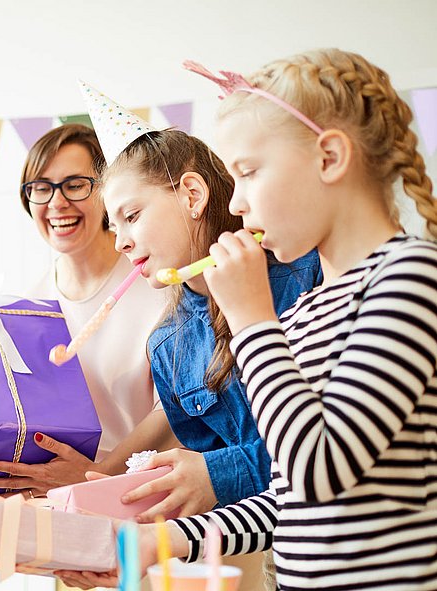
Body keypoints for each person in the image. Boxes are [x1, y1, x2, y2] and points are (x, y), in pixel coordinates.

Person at [58, 49, 437, 591]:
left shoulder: (410, 276)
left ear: (329, 158)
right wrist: (155, 542)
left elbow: (320, 469)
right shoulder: (313, 308)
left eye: (250, 173)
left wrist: (253, 321)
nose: (234, 203)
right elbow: (287, 496)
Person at [101, 125, 321, 591]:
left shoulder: (308, 277)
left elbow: (322, 456)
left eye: (132, 215)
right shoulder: (168, 347)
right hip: (283, 563)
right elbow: (240, 502)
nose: (119, 241)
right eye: (113, 226)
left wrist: (217, 476)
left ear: (192, 195)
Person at [0, 124, 177, 496]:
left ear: (107, 191)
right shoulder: (27, 308)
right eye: (41, 187)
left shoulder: (158, 283)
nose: (56, 203)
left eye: (74, 185)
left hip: (148, 494)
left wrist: (97, 476)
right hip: (62, 500)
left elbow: (172, 409)